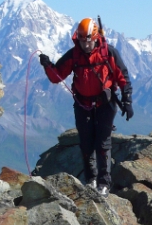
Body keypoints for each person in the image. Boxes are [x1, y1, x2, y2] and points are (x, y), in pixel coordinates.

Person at [38, 17, 133, 197]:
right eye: (82, 40)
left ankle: (104, 183)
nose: (85, 43)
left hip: (106, 103)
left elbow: (123, 77)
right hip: (83, 104)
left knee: (102, 143)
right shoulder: (74, 54)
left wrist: (127, 101)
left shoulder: (108, 53)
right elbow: (57, 76)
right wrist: (47, 65)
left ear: (95, 37)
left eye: (88, 39)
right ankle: (91, 180)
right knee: (86, 143)